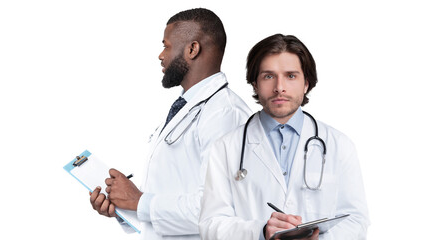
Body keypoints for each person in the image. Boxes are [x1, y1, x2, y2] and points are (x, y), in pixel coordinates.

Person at [89, 8, 251, 240]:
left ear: (192, 49)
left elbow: (222, 207)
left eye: (166, 45)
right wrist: (122, 206)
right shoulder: (189, 106)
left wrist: (139, 201)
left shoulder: (225, 113)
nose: (160, 55)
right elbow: (174, 191)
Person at [199, 34, 370, 240]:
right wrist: (261, 231)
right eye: (268, 76)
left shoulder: (339, 145)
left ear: (306, 83)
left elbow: (356, 220)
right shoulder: (226, 147)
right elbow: (211, 224)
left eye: (291, 76)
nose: (279, 87)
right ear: (255, 84)